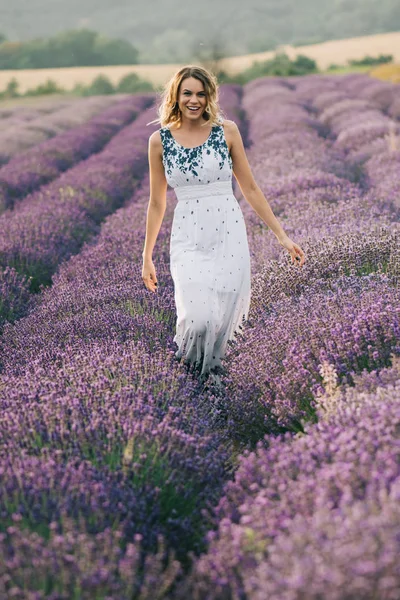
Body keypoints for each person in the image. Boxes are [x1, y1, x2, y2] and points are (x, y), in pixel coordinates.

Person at [142, 65, 305, 387]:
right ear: (175, 95)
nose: (194, 100)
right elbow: (157, 202)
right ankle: (188, 375)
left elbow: (250, 188)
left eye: (201, 94)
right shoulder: (158, 141)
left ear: (210, 97)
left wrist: (282, 236)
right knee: (199, 318)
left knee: (224, 319)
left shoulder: (226, 131)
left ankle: (211, 389)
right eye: (187, 93)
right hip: (188, 237)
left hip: (228, 233)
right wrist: (146, 255)